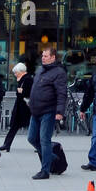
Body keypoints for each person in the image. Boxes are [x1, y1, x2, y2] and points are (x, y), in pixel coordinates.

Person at [27, 47, 67, 180]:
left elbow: (62, 93)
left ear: (53, 57)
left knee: (45, 140)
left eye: (46, 56)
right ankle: (52, 157)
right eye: (42, 55)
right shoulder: (40, 70)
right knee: (32, 138)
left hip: (48, 111)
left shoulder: (59, 72)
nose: (43, 58)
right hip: (35, 111)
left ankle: (45, 171)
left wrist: (60, 112)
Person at [1, 62, 34, 152]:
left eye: (16, 72)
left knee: (33, 127)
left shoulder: (27, 80)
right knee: (14, 127)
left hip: (25, 108)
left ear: (21, 71)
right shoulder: (23, 79)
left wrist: (20, 92)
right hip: (21, 107)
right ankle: (6, 144)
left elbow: (27, 93)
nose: (15, 74)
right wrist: (19, 91)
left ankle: (40, 145)